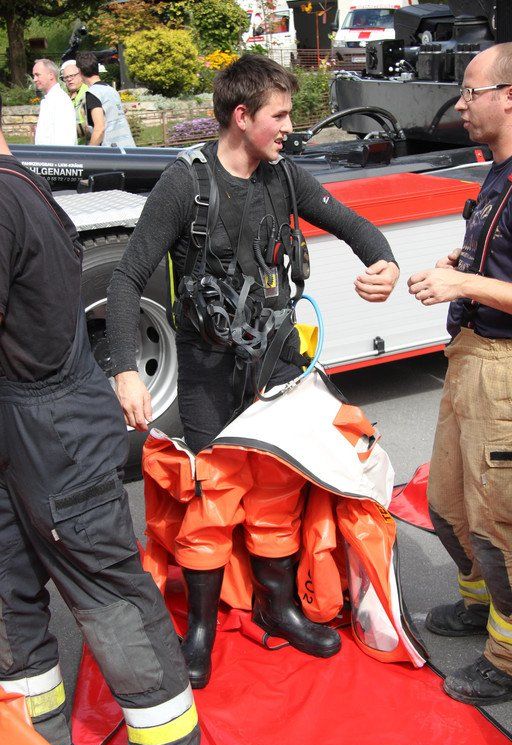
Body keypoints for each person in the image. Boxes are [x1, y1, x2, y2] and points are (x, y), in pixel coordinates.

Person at [107, 54, 400, 688]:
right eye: (280, 115)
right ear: (242, 117)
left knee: (275, 492)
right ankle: (201, 629)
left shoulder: (284, 176)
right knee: (211, 498)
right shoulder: (184, 185)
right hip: (210, 371)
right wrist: (126, 370)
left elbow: (351, 223)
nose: (290, 127)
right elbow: (127, 278)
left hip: (278, 365)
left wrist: (385, 262)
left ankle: (279, 605)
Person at [0, 95, 199, 745]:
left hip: (54, 432)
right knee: (8, 590)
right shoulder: (23, 187)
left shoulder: (3, 199)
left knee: (108, 599)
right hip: (26, 424)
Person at [408, 42, 512, 706]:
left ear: (510, 97)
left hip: (503, 373)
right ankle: (479, 606)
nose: (462, 104)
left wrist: (463, 283)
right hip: (469, 359)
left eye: (472, 91)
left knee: (501, 525)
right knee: (448, 506)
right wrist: (465, 259)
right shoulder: (498, 172)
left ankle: (508, 659)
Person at [75, 51, 135, 148]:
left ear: (80, 71)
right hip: (128, 147)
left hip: (111, 151)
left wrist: (89, 152)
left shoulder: (93, 94)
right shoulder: (111, 90)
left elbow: (99, 129)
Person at [32, 59, 77, 146]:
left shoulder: (60, 101)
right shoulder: (49, 100)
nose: (34, 79)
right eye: (34, 75)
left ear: (51, 75)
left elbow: (65, 140)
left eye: (37, 75)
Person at [60, 59, 104, 145]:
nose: (69, 79)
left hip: (90, 145)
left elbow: (92, 126)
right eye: (66, 77)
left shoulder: (88, 93)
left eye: (72, 76)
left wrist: (62, 132)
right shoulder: (68, 96)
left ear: (80, 74)